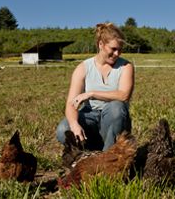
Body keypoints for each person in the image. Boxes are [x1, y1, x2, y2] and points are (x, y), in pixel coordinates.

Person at [56, 23, 134, 151]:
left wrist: (91, 93)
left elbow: (123, 95)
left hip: (115, 120)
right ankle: (88, 153)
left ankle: (108, 159)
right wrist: (74, 124)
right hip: (90, 116)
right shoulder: (83, 68)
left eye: (120, 50)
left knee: (116, 107)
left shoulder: (126, 67)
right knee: (63, 129)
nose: (117, 53)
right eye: (113, 49)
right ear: (101, 45)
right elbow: (71, 103)